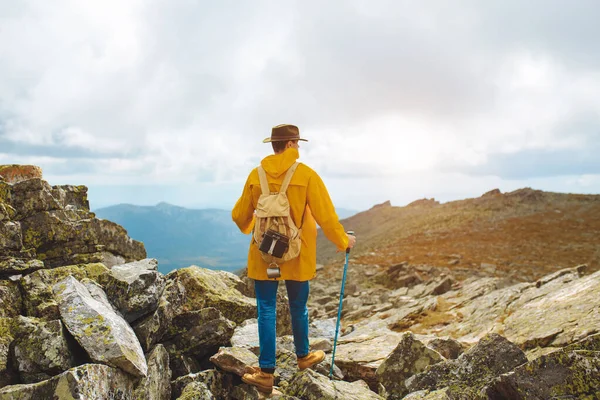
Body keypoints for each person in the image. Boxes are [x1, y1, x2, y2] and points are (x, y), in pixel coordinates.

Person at [232, 124, 356, 394]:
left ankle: (266, 372)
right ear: (289, 145)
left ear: (274, 145)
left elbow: (239, 216)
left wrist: (253, 224)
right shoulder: (307, 175)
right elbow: (326, 216)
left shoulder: (256, 175)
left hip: (265, 255)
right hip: (297, 254)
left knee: (266, 309)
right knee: (298, 307)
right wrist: (343, 241)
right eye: (297, 143)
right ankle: (303, 357)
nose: (298, 148)